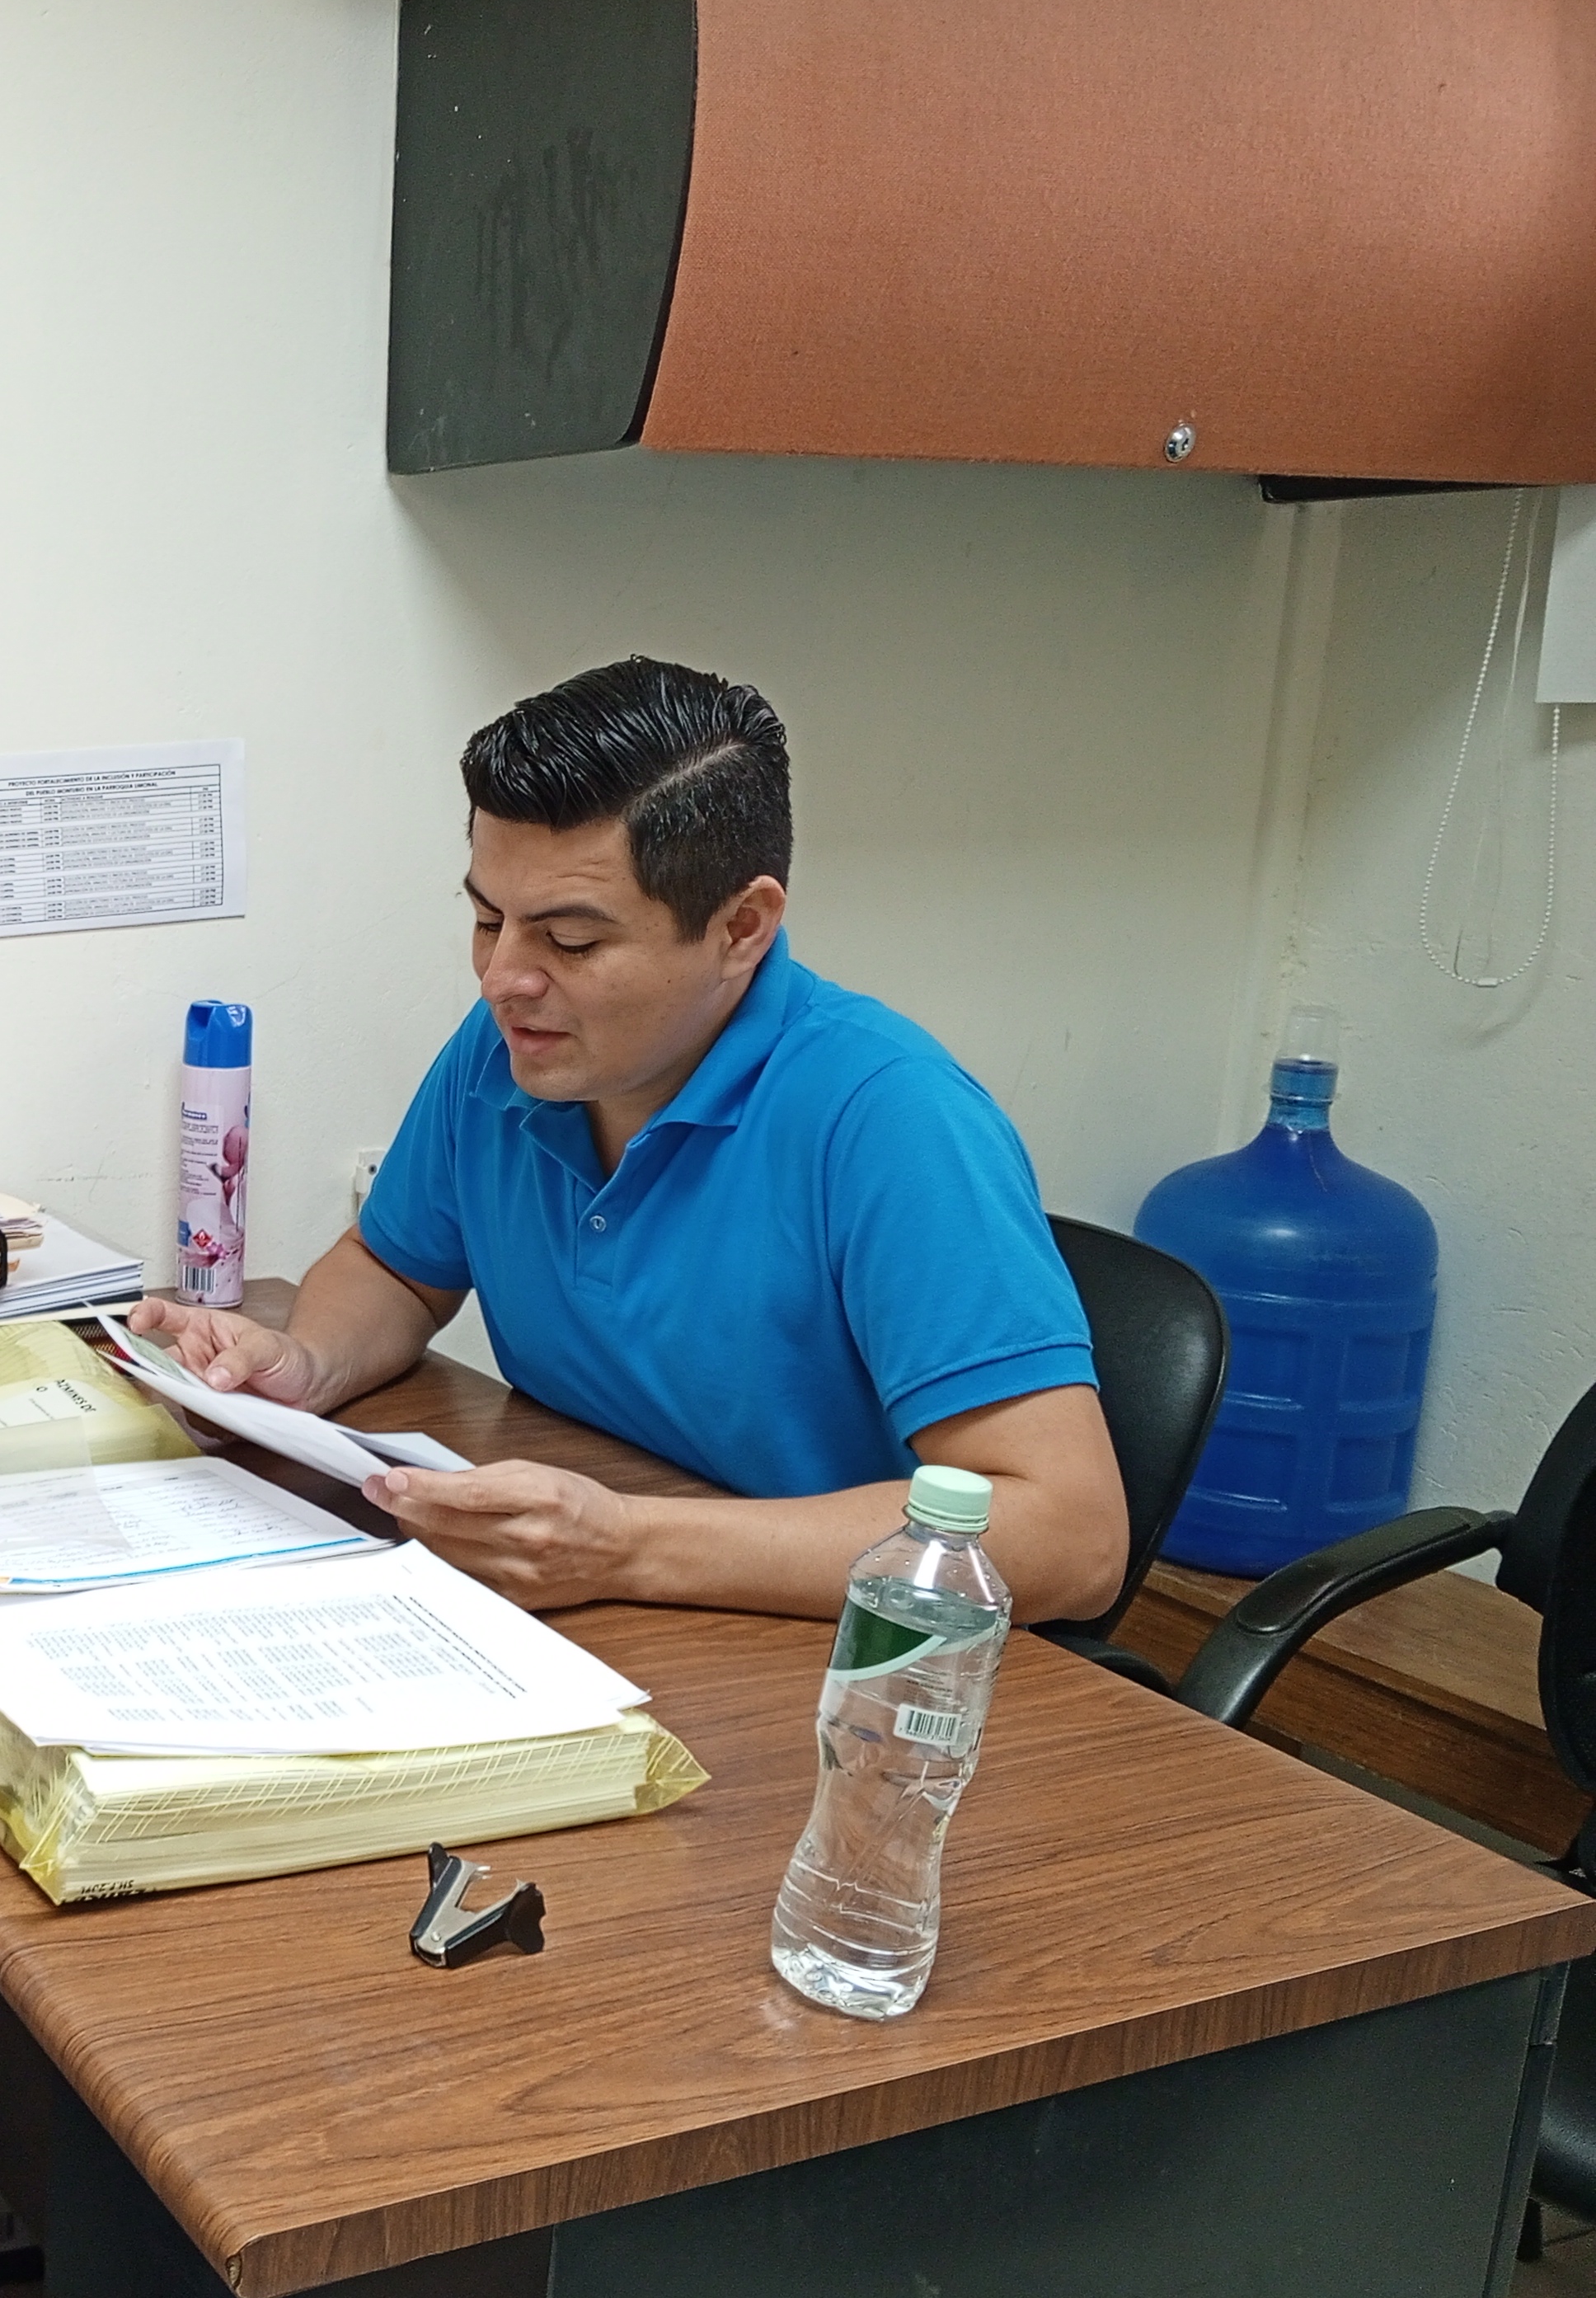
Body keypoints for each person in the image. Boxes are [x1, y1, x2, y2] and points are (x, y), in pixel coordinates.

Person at [130, 659, 1127, 1623]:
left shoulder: (890, 1119)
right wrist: (305, 1364)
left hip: (834, 1649)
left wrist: (624, 1546)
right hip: (607, 1607)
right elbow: (396, 1268)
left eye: (570, 941)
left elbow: (1072, 1540)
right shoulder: (511, 1046)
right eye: (486, 919)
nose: (502, 978)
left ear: (740, 928)